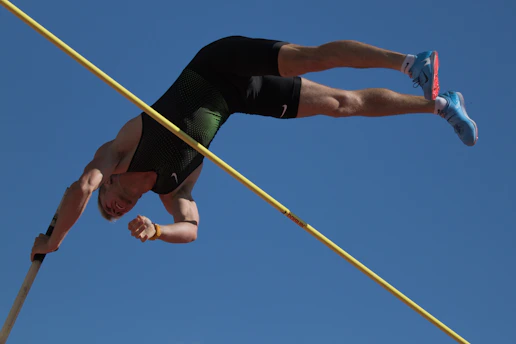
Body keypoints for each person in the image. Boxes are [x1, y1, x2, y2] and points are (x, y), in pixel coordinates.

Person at [30, 35, 478, 260]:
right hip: (239, 98)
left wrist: (55, 239)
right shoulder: (174, 189)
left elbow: (78, 188)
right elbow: (192, 229)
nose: (113, 211)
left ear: (107, 185)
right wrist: (159, 231)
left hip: (216, 64)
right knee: (343, 105)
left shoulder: (119, 151)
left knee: (310, 56)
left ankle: (408, 62)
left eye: (106, 206)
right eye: (115, 215)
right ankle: (438, 105)